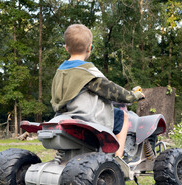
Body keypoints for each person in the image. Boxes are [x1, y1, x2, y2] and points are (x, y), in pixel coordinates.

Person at [50, 24, 144, 158]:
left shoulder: (60, 71)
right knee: (123, 116)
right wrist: (133, 96)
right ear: (90, 48)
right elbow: (113, 91)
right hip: (87, 118)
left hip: (63, 116)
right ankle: (118, 157)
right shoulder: (88, 72)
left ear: (66, 48)